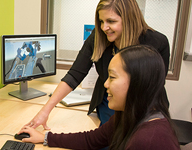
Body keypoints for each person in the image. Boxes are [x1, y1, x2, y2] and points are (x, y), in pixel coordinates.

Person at [25, 0, 170, 129]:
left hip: (145, 107)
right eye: (101, 21)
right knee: (104, 141)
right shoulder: (98, 37)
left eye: (111, 21)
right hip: (109, 103)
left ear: (129, 20)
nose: (104, 27)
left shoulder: (157, 42)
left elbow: (154, 87)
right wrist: (45, 111)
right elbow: (75, 75)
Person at [18, 45, 179, 150]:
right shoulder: (131, 115)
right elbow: (92, 139)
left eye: (113, 77)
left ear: (138, 83)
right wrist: (45, 137)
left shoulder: (148, 141)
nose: (106, 84)